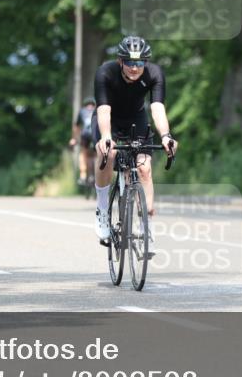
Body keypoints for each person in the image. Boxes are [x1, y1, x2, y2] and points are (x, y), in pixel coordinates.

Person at [92, 35, 177, 244]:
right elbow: (103, 109)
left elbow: (157, 108)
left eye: (139, 63)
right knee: (108, 152)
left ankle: (145, 223)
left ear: (145, 62)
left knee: (144, 169)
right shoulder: (105, 72)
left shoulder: (155, 73)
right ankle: (102, 210)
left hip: (136, 118)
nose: (134, 68)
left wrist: (166, 136)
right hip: (109, 118)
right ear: (121, 61)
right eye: (129, 62)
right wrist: (105, 137)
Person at [69, 97, 97, 186]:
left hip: (85, 136)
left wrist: (74, 139)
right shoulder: (97, 110)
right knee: (96, 155)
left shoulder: (82, 111)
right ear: (93, 105)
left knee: (83, 154)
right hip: (96, 136)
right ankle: (96, 175)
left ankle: (83, 175)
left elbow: (76, 127)